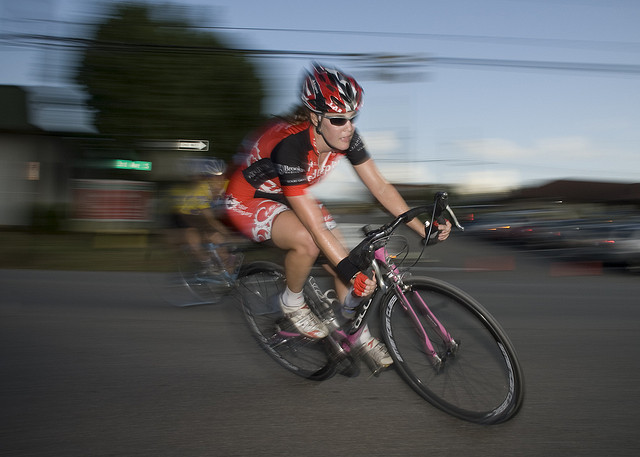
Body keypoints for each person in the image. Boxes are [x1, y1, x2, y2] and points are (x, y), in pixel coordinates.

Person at [225, 63, 451, 370]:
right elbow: (315, 229)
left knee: (343, 256)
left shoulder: (345, 137)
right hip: (248, 199)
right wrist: (350, 272)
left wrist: (422, 227)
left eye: (353, 117)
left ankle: (357, 333)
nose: (348, 126)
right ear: (315, 117)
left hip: (290, 192)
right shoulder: (290, 146)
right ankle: (291, 302)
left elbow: (380, 187)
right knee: (310, 242)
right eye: (338, 119)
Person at [169, 157, 233, 274]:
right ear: (208, 179)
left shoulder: (227, 184)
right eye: (215, 178)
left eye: (222, 177)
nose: (219, 181)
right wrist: (226, 233)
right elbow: (209, 219)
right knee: (210, 237)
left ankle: (228, 269)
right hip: (189, 214)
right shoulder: (201, 191)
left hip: (209, 212)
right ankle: (206, 262)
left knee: (220, 239)